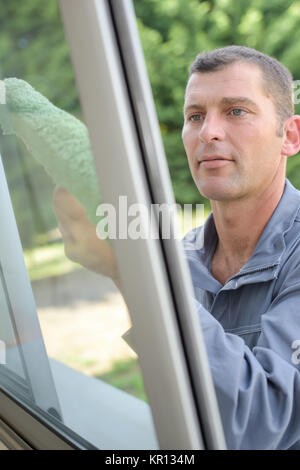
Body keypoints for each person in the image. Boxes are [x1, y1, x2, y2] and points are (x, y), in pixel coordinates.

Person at [53, 45, 300, 449]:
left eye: (236, 111)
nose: (208, 132)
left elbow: (261, 423)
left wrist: (130, 270)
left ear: (289, 136)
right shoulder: (180, 258)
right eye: (195, 116)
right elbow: (180, 401)